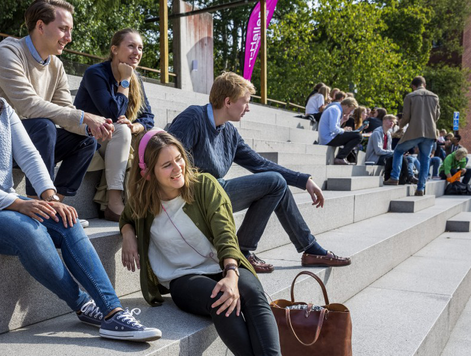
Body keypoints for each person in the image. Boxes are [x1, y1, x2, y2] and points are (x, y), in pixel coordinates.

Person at [0, 31, 161, 342]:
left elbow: (31, 156)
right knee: (28, 229)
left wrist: (49, 196)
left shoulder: (2, 109)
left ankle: (113, 313)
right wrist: (20, 203)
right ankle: (82, 304)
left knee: (66, 218)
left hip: (2, 203)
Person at [168, 72, 351, 273]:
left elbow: (260, 164)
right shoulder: (193, 117)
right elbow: (167, 160)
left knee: (276, 184)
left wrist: (303, 179)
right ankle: (247, 251)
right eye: (245, 102)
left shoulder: (229, 132)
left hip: (216, 193)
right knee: (275, 182)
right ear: (228, 101)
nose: (248, 108)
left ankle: (308, 249)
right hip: (194, 197)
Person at [120, 130, 281, 355]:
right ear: (148, 173)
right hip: (183, 278)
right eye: (167, 165)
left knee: (253, 294)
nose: (177, 168)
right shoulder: (143, 201)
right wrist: (128, 234)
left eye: (179, 159)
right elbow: (126, 218)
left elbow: (225, 232)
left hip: (224, 264)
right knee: (221, 298)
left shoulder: (204, 185)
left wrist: (232, 274)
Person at [0, 0, 115, 226]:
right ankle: (37, 202)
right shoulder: (7, 52)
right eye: (63, 29)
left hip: (32, 143)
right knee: (43, 125)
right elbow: (28, 106)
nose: (69, 37)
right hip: (1, 144)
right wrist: (84, 116)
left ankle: (55, 205)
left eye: (70, 30)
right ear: (40, 26)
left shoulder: (56, 65)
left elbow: (66, 112)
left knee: (86, 139)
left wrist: (92, 126)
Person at [74, 28, 155, 220]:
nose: (137, 52)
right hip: (88, 139)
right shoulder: (96, 74)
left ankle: (153, 202)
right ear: (114, 49)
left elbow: (149, 116)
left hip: (115, 139)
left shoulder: (137, 78)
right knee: (120, 131)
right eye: (131, 46)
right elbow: (112, 112)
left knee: (156, 135)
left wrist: (135, 126)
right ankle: (114, 202)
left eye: (140, 48)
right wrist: (125, 80)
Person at [384, 76, 440, 197]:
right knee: (425, 160)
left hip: (415, 131)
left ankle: (394, 177)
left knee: (398, 151)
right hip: (430, 132)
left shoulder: (410, 96)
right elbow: (437, 115)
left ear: (413, 86)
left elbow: (407, 116)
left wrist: (400, 126)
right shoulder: (435, 96)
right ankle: (421, 188)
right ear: (424, 84)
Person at [318, 97, 361, 165]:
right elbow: (333, 129)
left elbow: (333, 127)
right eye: (351, 110)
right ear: (346, 106)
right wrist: (344, 130)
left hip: (329, 137)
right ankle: (340, 158)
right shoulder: (336, 110)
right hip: (328, 139)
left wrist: (343, 121)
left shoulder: (336, 109)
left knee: (355, 135)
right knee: (358, 136)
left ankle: (341, 157)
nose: (350, 112)